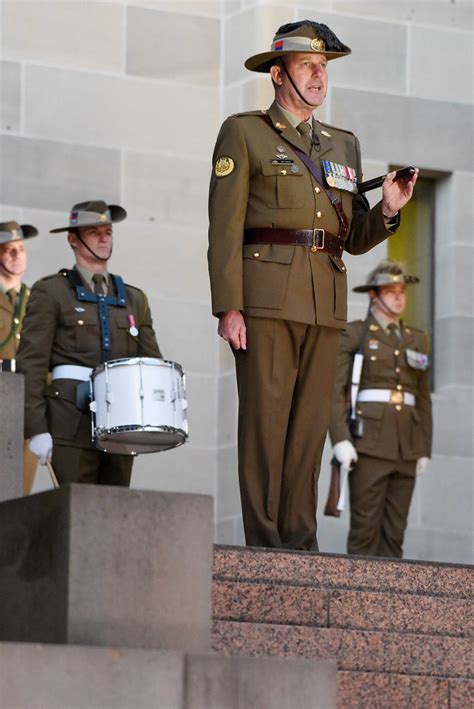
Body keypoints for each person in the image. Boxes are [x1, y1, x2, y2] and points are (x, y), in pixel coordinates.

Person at [207, 19, 418, 551]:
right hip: (267, 301)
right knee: (265, 426)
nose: (319, 77)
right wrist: (228, 307)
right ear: (278, 75)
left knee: (307, 432)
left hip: (326, 303)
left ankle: (300, 543)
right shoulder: (245, 132)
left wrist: (390, 211)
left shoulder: (343, 145)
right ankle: (265, 544)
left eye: (323, 68)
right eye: (308, 66)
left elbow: (351, 235)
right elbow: (225, 227)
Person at [16, 200, 162, 486]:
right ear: (73, 239)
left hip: (121, 424)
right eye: (94, 231)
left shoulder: (134, 299)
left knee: (114, 515)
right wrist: (36, 428)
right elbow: (31, 363)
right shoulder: (52, 291)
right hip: (69, 423)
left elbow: (151, 364)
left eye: (107, 231)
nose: (104, 238)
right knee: (75, 516)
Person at [329, 260, 432, 558]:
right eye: (390, 291)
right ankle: (359, 602)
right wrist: (340, 439)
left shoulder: (417, 339)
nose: (399, 297)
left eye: (402, 291)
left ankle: (389, 605)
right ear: (373, 295)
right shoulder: (355, 334)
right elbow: (332, 391)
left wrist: (424, 446)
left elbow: (422, 398)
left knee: (395, 535)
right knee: (364, 532)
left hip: (407, 446)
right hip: (369, 443)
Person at [0, 221, 39, 494]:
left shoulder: (37, 299)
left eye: (21, 249)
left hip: (26, 397)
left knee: (20, 490)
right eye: (8, 249)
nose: (16, 256)